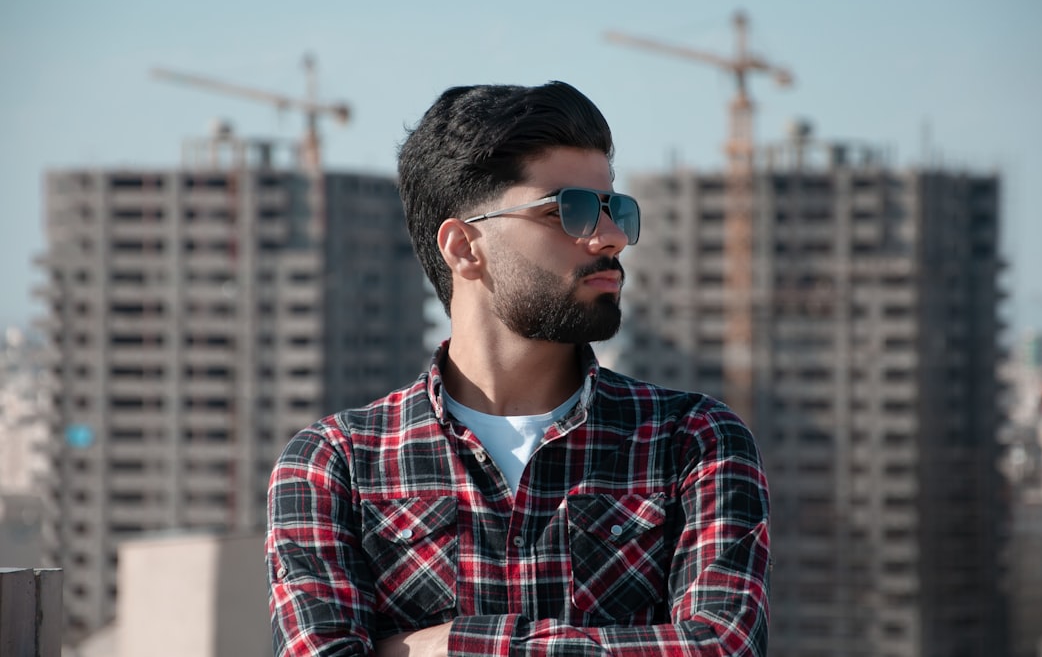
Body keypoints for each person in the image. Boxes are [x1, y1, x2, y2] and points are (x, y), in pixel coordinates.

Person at [266, 81, 771, 656]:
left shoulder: (693, 442)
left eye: (616, 210)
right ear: (463, 247)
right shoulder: (335, 466)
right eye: (570, 211)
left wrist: (451, 646)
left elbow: (722, 648)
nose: (610, 238)